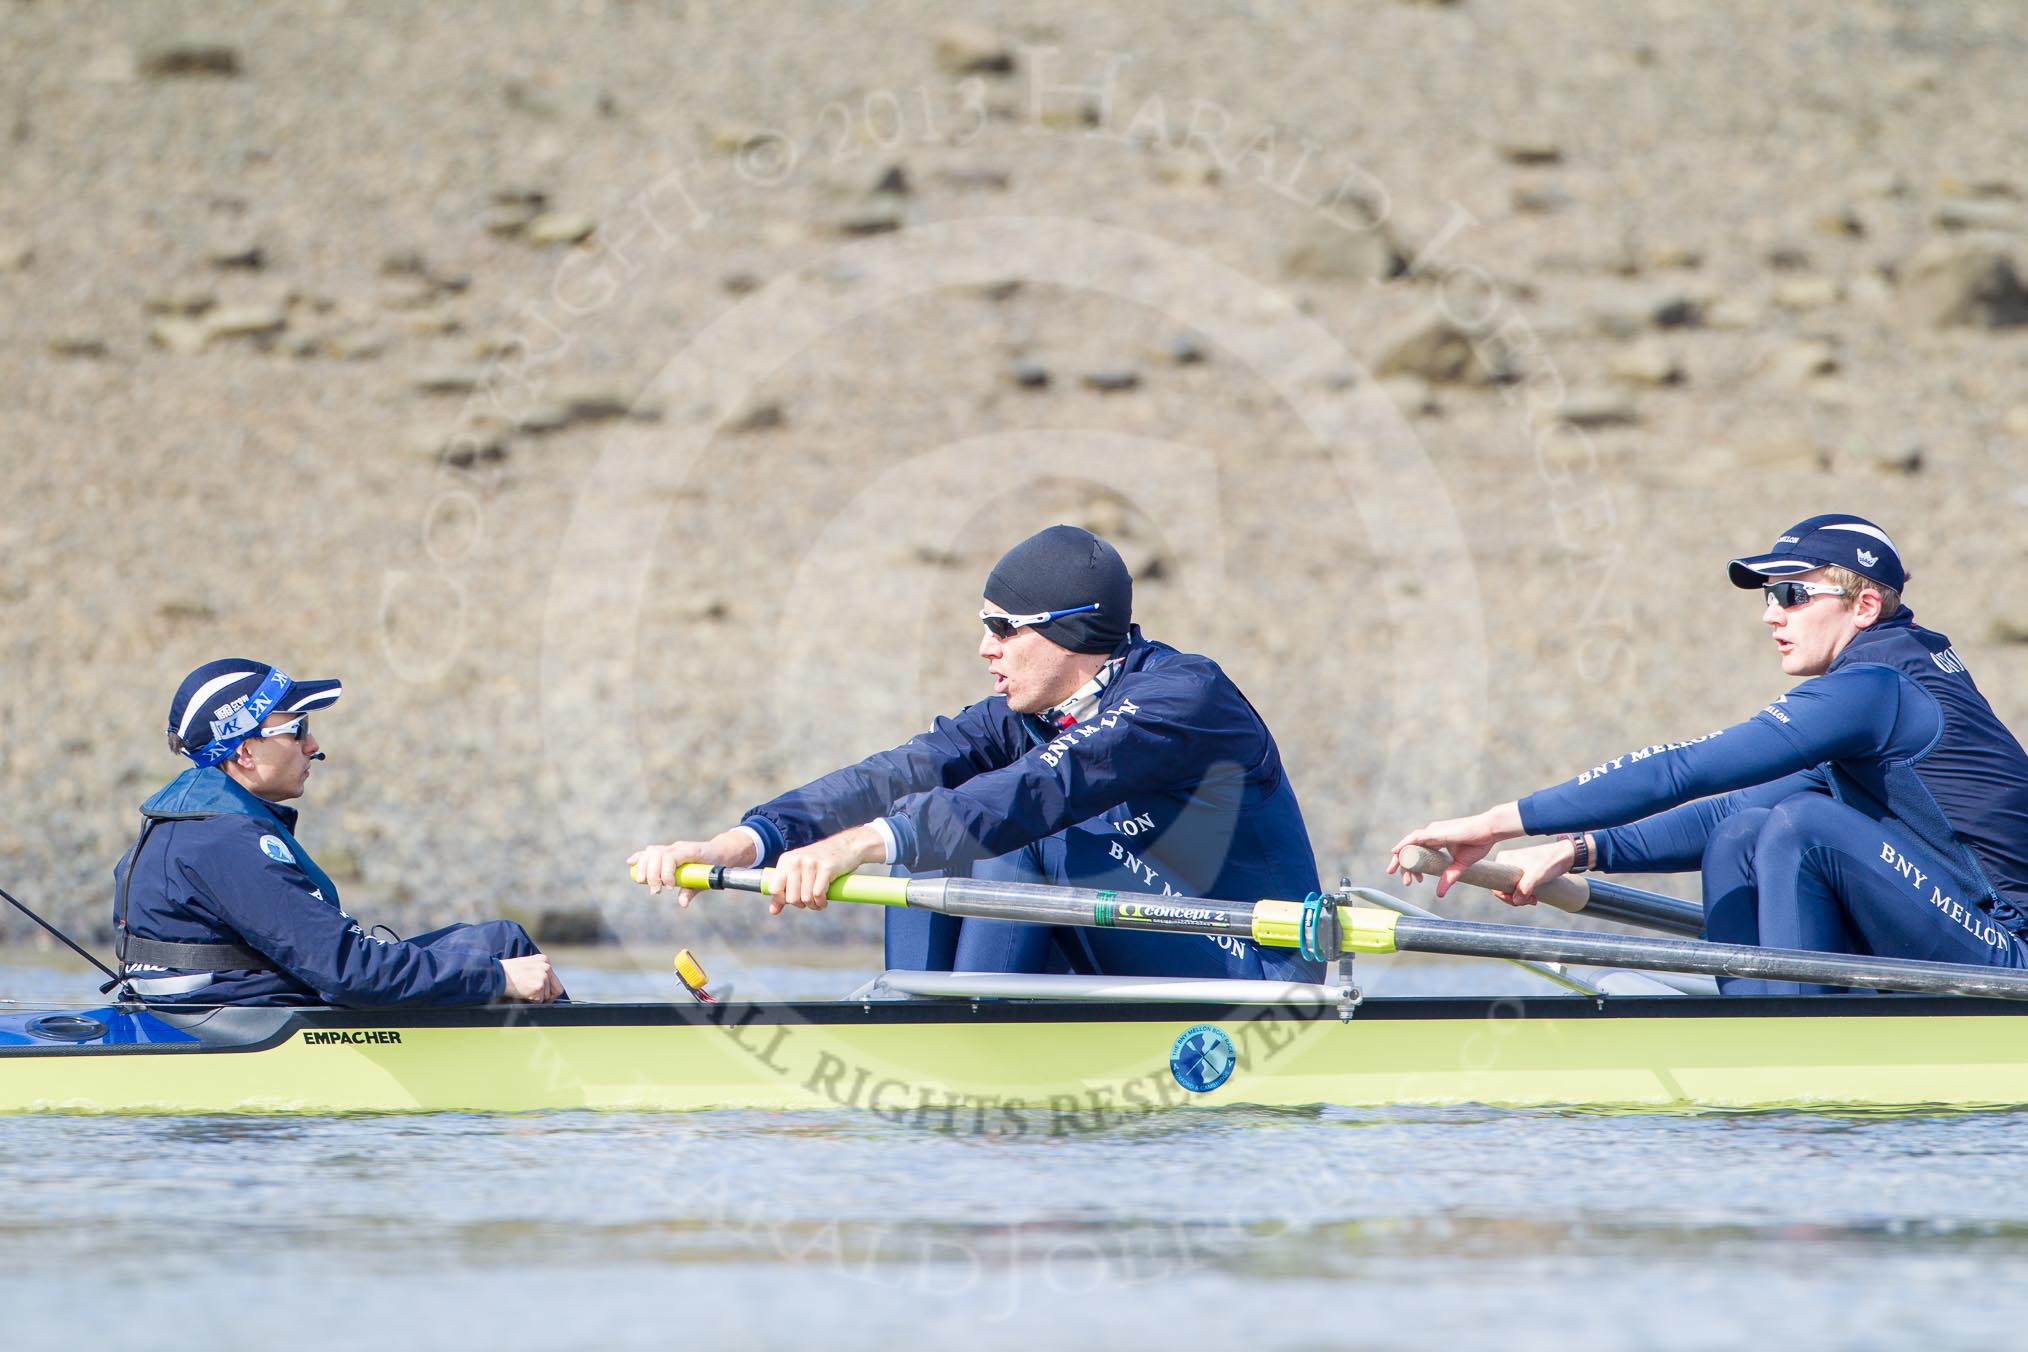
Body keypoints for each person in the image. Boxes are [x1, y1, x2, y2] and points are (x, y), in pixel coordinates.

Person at [632, 525, 1323, 981]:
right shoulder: (1019, 717)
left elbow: (1040, 792)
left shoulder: (1183, 699)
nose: (984, 648)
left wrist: (864, 847)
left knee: (990, 834)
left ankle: (958, 1032)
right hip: (1137, 951)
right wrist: (745, 842)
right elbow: (891, 775)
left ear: (1073, 631)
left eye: (1002, 627)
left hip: (1255, 968)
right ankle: (918, 1014)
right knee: (917, 808)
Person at [1390, 514, 2028, 995]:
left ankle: (1790, 1041)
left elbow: (1684, 768)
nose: (1771, 616)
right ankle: (1755, 1028)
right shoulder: (1878, 685)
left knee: (1804, 829)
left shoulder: (1877, 689)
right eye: (1767, 597)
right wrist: (1575, 848)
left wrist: (1491, 823)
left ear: (1864, 606)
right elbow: (1740, 802)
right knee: (1742, 831)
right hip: (1959, 926)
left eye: (1792, 595)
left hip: (2008, 954)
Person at [113, 658, 563, 1006]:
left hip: (225, 1007)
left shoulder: (186, 824)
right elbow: (351, 973)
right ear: (245, 753)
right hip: (246, 1022)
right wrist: (497, 977)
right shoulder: (225, 841)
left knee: (495, 944)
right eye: (298, 731)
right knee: (503, 948)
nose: (314, 746)